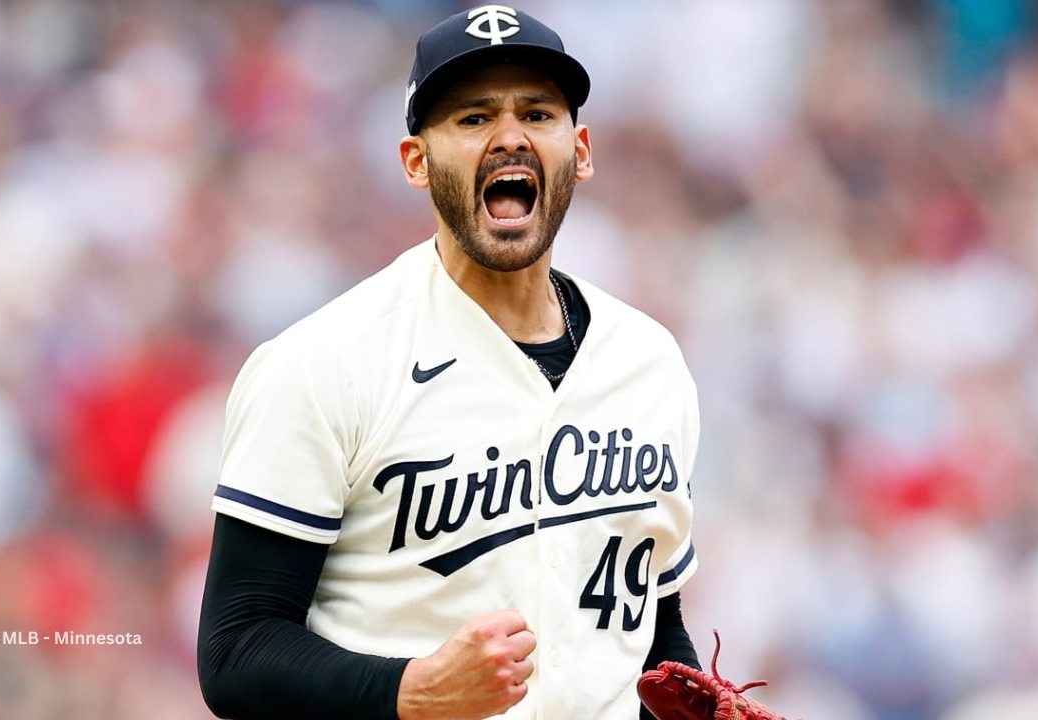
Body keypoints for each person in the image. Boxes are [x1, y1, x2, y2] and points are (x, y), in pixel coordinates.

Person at [197, 6, 703, 719]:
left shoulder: (648, 362)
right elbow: (236, 650)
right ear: (416, 161)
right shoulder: (322, 363)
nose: (508, 137)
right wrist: (412, 690)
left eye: (537, 112)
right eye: (472, 118)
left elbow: (648, 628)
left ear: (581, 150)